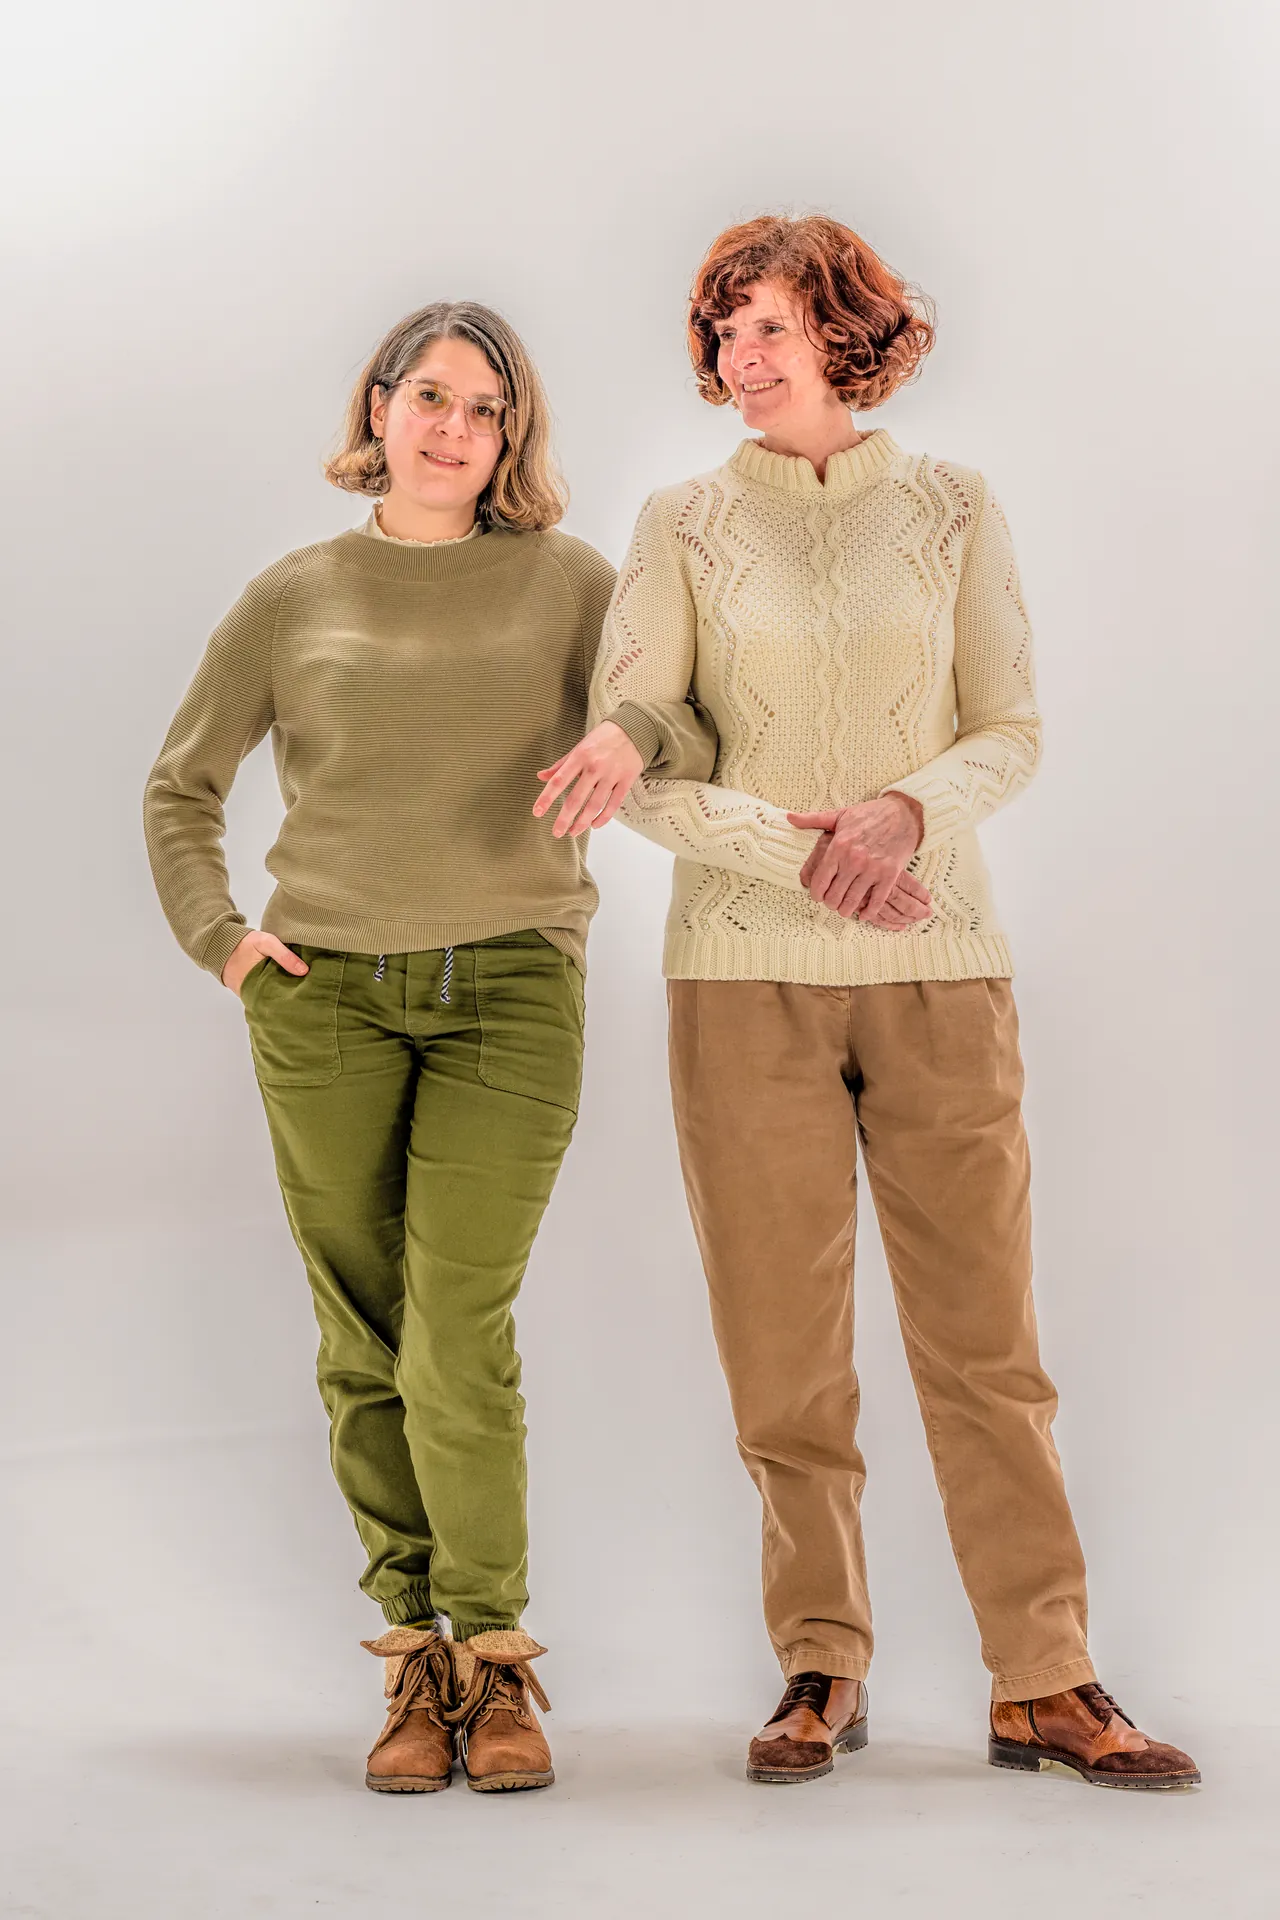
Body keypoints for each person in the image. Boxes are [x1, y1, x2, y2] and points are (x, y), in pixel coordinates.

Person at [540, 215, 1199, 1791]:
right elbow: (638, 758)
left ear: (846, 333)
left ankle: (1045, 1678)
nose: (741, 356)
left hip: (942, 969)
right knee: (784, 1353)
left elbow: (1010, 729)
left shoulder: (956, 508)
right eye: (723, 332)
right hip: (738, 983)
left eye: (770, 324)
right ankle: (820, 1664)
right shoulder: (681, 524)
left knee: (988, 1347)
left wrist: (904, 813)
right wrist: (805, 854)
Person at [143, 300, 711, 1794]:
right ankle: (412, 1659)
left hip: (512, 987)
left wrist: (635, 737)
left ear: (513, 435)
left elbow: (683, 714)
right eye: (432, 397)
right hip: (322, 995)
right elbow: (181, 786)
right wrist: (225, 941)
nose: (456, 428)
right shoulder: (292, 596)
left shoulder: (570, 582)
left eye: (487, 408)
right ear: (380, 407)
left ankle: (498, 1656)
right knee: (362, 1329)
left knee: (457, 1325)